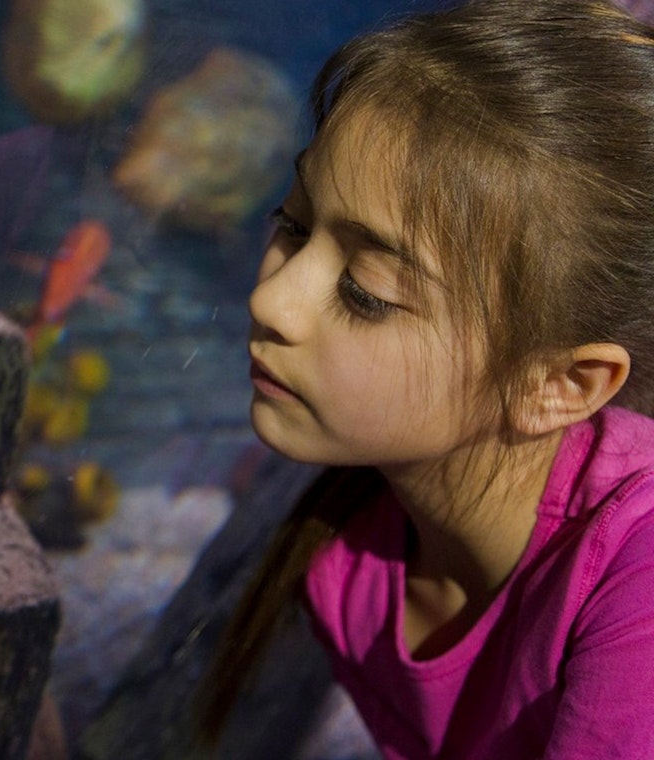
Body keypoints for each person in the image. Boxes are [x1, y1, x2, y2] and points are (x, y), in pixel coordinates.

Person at [197, 1, 654, 757]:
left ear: (562, 385)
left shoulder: (636, 582)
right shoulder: (349, 577)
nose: (270, 301)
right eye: (292, 224)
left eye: (367, 291)